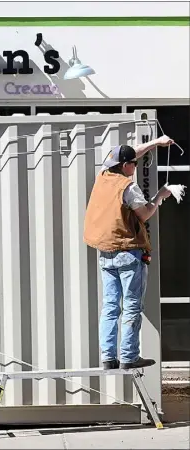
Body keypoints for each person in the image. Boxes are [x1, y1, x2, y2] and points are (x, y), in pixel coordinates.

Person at [83, 135, 174, 369]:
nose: (135, 166)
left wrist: (156, 142)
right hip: (128, 253)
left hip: (106, 252)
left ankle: (108, 357)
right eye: (133, 163)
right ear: (124, 166)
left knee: (111, 307)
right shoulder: (128, 187)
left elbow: (132, 151)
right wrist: (160, 196)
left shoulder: (103, 176)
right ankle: (129, 357)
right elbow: (144, 214)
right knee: (132, 306)